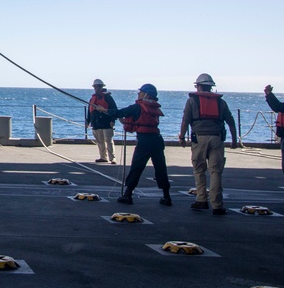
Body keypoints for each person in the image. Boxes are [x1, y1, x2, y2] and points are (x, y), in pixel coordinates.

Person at [97, 83, 172, 206]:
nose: (138, 93)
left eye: (141, 92)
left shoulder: (138, 107)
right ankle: (167, 196)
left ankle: (128, 195)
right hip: (157, 141)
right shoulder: (154, 107)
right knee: (161, 168)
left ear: (146, 94)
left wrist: (103, 110)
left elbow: (119, 112)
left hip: (144, 142)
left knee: (136, 168)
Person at [178, 73, 239, 215]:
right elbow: (231, 122)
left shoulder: (192, 101)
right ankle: (217, 205)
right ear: (211, 87)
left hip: (199, 139)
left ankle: (201, 200)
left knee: (199, 170)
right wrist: (234, 140)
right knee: (216, 171)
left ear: (198, 86)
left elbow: (185, 120)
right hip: (217, 139)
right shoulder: (221, 102)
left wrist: (182, 137)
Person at [86, 79, 117, 163]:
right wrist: (87, 121)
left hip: (106, 122)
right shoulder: (92, 98)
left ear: (101, 87)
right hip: (96, 123)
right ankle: (103, 157)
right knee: (100, 141)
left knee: (109, 141)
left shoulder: (108, 97)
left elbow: (114, 109)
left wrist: (112, 120)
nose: (96, 88)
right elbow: (90, 111)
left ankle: (112, 158)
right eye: (95, 87)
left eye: (97, 87)